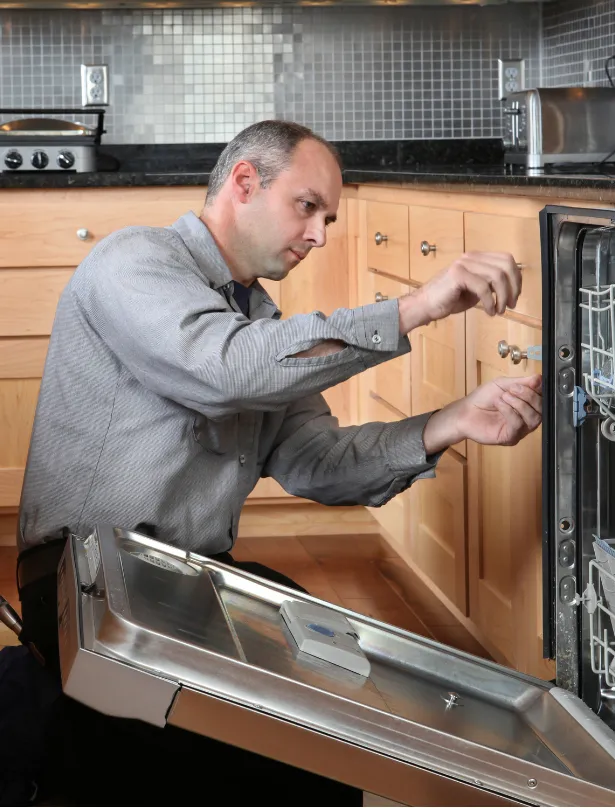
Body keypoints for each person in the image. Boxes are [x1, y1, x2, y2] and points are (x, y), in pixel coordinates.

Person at [14, 120, 543, 805]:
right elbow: (224, 369)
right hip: (84, 591)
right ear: (243, 183)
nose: (320, 233)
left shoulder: (262, 328)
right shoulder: (134, 262)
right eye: (308, 206)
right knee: (276, 767)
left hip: (178, 582)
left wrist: (450, 423)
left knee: (328, 717)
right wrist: (417, 307)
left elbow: (317, 463)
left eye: (329, 217)